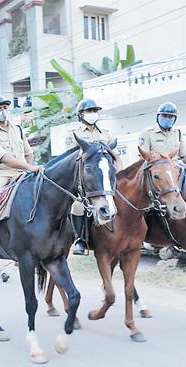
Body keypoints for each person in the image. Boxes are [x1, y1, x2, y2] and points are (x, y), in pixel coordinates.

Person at [0, 95, 40, 263]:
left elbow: (28, 152)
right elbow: (4, 158)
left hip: (20, 173)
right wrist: (29, 167)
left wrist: (28, 169)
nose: (2, 111)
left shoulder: (17, 129)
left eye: (4, 107)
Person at [65, 98, 118, 256]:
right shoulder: (74, 134)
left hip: (103, 177)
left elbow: (112, 157)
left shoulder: (105, 134)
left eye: (95, 111)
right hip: (83, 177)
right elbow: (71, 157)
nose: (92, 114)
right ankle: (79, 239)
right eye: (89, 111)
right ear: (80, 114)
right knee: (78, 205)